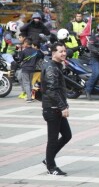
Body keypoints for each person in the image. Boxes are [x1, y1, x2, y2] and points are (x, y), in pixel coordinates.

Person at [41, 42, 72, 176]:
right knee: (53, 139)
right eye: (60, 51)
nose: (64, 53)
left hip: (56, 107)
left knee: (67, 135)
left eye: (64, 51)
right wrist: (63, 106)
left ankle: (48, 159)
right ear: (53, 53)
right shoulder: (51, 68)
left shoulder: (56, 65)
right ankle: (51, 167)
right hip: (52, 108)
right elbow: (52, 90)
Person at [19, 38, 43, 103]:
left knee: (26, 83)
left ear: (26, 43)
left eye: (24, 43)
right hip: (32, 69)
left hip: (25, 68)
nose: (23, 44)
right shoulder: (35, 51)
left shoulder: (24, 51)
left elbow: (20, 59)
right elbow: (41, 55)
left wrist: (20, 52)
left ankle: (29, 98)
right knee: (30, 83)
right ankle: (31, 97)